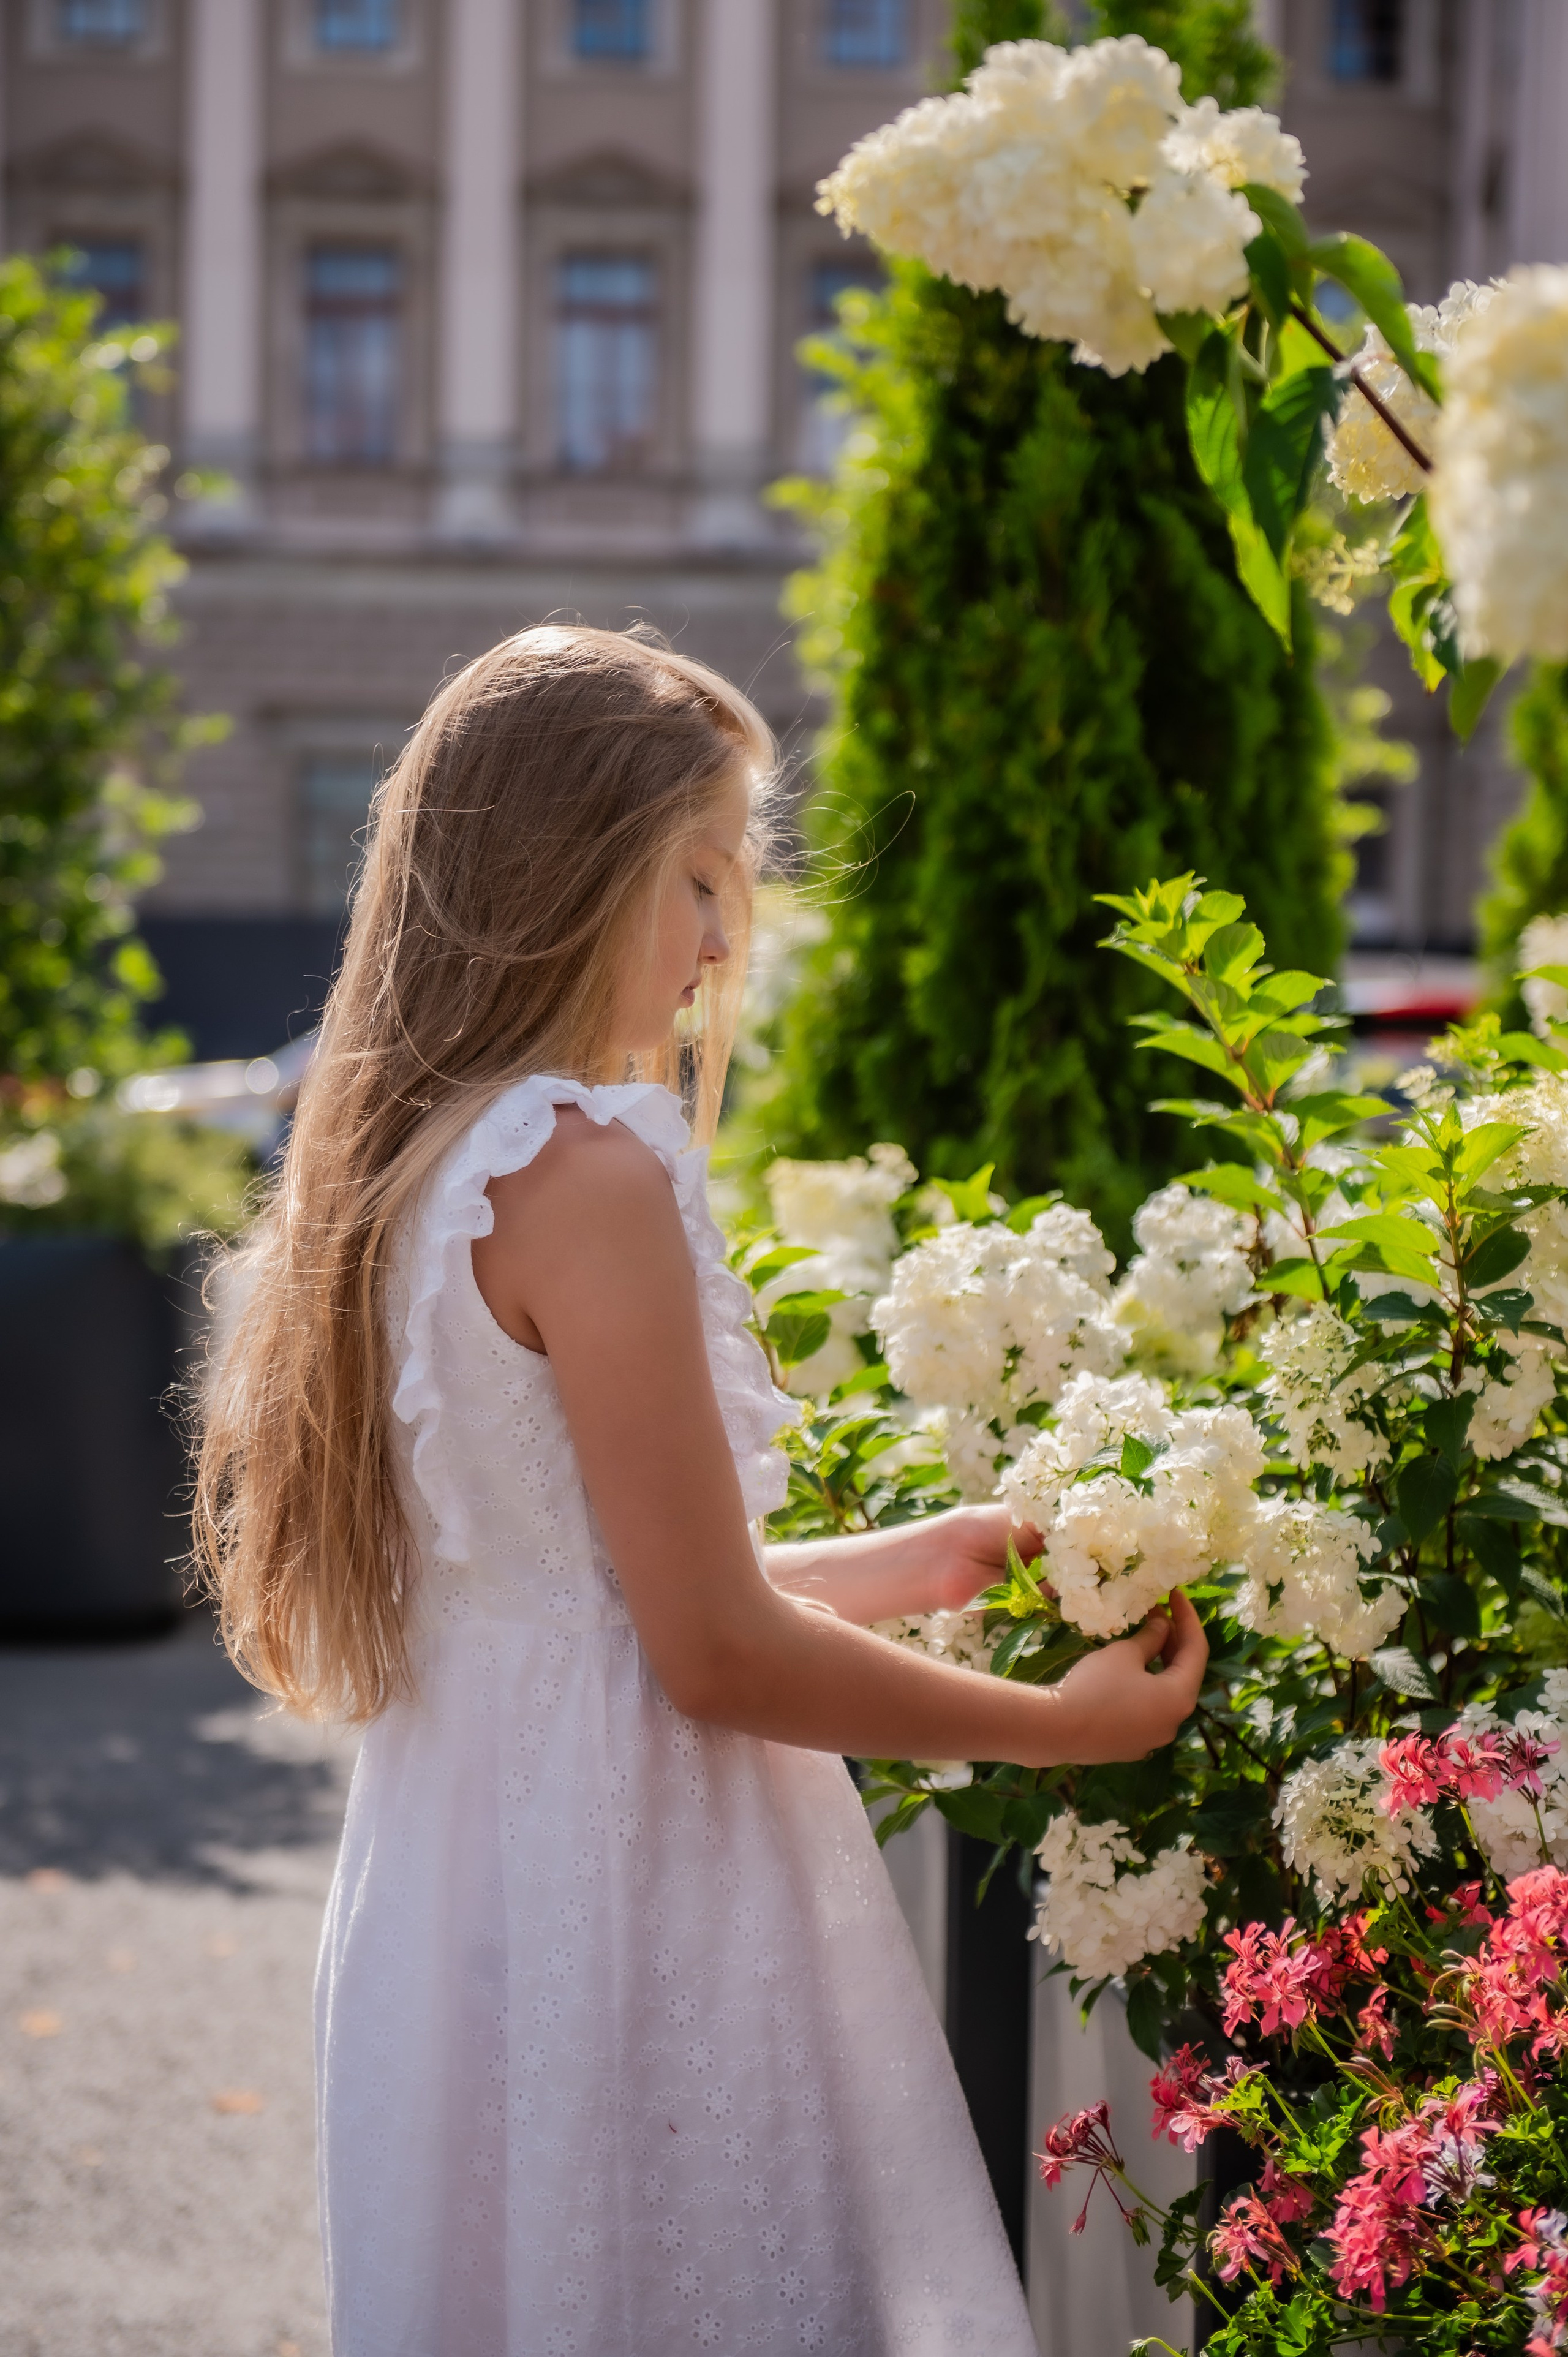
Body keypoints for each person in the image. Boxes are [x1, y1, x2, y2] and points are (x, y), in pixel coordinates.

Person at [195, 626, 1207, 2356]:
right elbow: (708, 1657)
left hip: (465, 1883)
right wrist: (1067, 1729)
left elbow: (579, 1580)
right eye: (701, 879)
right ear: (573, 872)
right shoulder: (584, 1171)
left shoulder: (412, 1158)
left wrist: (922, 1556)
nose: (727, 939)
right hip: (631, 1879)